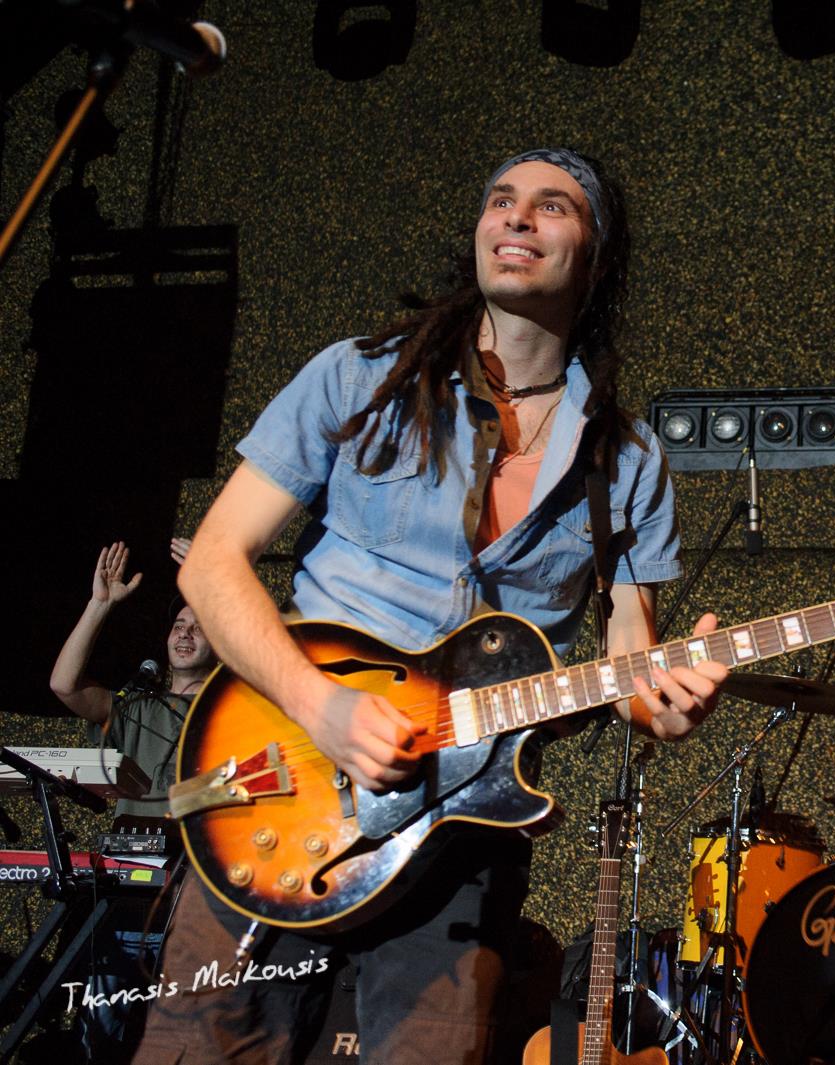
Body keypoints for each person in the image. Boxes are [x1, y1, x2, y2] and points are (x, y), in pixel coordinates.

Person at [133, 148, 728, 1065]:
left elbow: (631, 666)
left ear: (597, 255)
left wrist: (670, 706)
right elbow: (212, 563)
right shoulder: (359, 378)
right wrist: (320, 705)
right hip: (279, 783)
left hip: (464, 830)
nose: (516, 217)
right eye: (501, 200)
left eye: (552, 206)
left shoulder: (629, 461)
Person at [50, 538, 212, 817]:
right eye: (178, 626)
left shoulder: (232, 706)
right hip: (135, 846)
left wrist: (221, 584)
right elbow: (64, 686)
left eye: (198, 628)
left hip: (202, 844)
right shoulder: (138, 707)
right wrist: (99, 605)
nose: (184, 634)